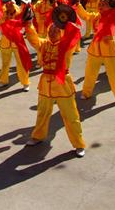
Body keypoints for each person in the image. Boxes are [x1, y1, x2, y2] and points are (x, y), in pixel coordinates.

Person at [24, 19, 85, 155]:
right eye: (51, 30)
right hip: (46, 84)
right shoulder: (44, 44)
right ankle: (37, 136)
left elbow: (75, 34)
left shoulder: (66, 46)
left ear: (62, 33)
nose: (53, 33)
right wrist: (28, 26)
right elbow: (33, 39)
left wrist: (67, 20)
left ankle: (79, 144)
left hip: (62, 83)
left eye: (56, 31)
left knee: (71, 115)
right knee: (42, 112)